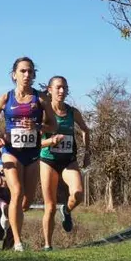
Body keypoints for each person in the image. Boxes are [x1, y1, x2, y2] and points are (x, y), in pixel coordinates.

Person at [0, 57, 57, 251]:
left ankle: (5, 212)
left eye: (30, 72)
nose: (27, 75)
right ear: (14, 74)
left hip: (32, 153)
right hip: (11, 152)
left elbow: (53, 125)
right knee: (16, 191)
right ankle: (17, 242)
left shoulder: (41, 98)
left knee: (26, 201)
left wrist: (38, 125)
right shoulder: (5, 98)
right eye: (23, 71)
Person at [39, 76, 91, 250]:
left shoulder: (72, 112)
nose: (62, 91)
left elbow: (85, 130)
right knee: (50, 206)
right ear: (50, 90)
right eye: (58, 88)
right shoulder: (44, 113)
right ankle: (48, 245)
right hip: (48, 160)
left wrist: (87, 151)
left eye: (65, 88)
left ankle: (67, 210)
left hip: (68, 160)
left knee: (78, 194)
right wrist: (51, 141)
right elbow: (34, 142)